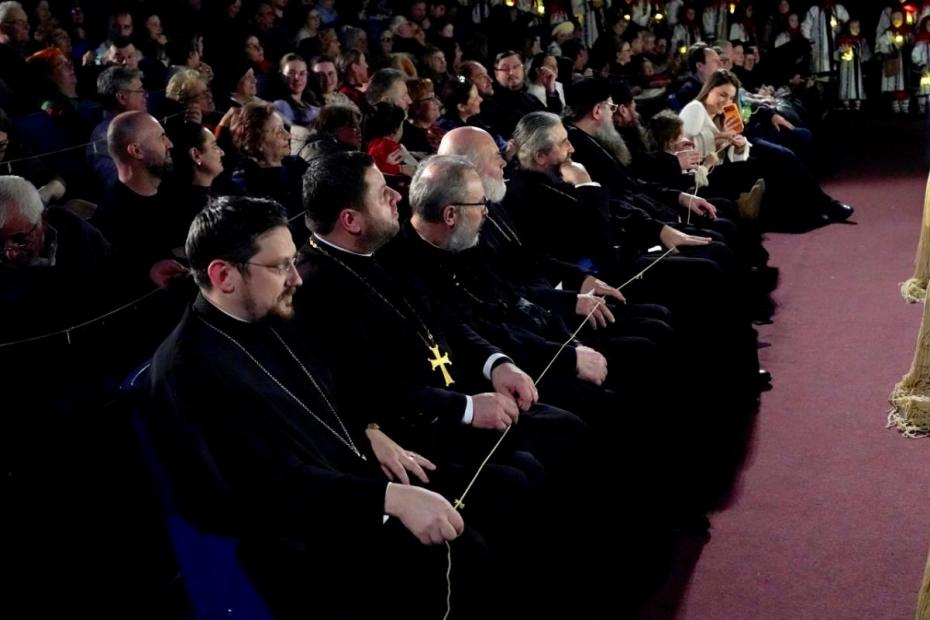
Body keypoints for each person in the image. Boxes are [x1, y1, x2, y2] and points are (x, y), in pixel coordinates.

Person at [146, 195, 490, 619]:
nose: (297, 278)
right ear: (223, 275)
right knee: (460, 551)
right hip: (302, 541)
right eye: (280, 266)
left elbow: (332, 391)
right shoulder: (187, 371)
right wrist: (388, 499)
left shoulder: (272, 311)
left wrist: (368, 430)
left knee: (500, 486)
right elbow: (261, 492)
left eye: (293, 261)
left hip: (353, 479)